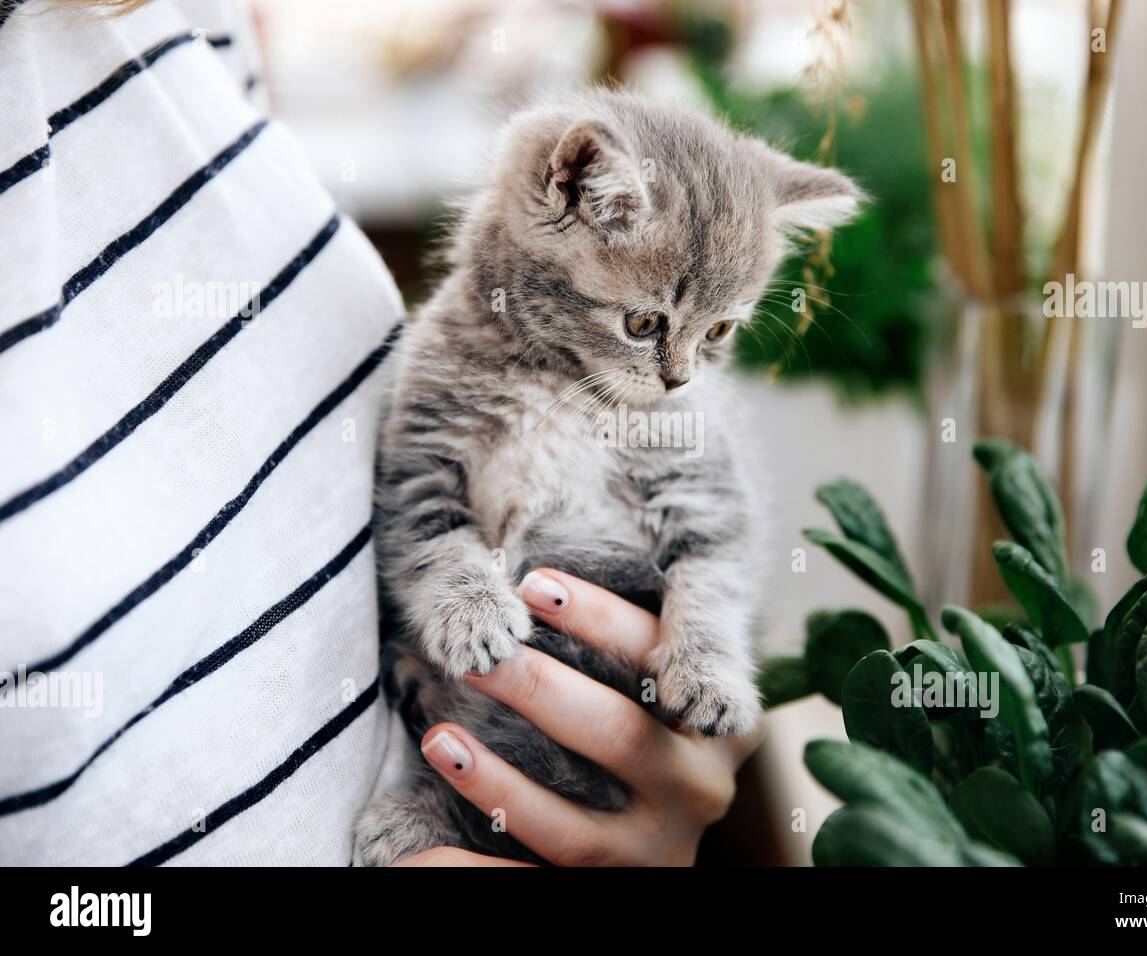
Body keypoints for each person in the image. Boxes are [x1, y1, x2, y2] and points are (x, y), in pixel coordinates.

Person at [0, 0, 756, 866]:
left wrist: (637, 804)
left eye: (721, 337)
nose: (682, 374)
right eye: (653, 331)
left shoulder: (167, 14)